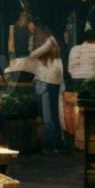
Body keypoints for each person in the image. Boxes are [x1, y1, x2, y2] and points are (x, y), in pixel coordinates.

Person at [26, 18, 64, 153]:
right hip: (55, 81)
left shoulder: (49, 42)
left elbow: (32, 55)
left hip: (46, 80)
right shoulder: (56, 43)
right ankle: (58, 145)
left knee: (47, 115)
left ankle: (50, 146)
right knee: (54, 115)